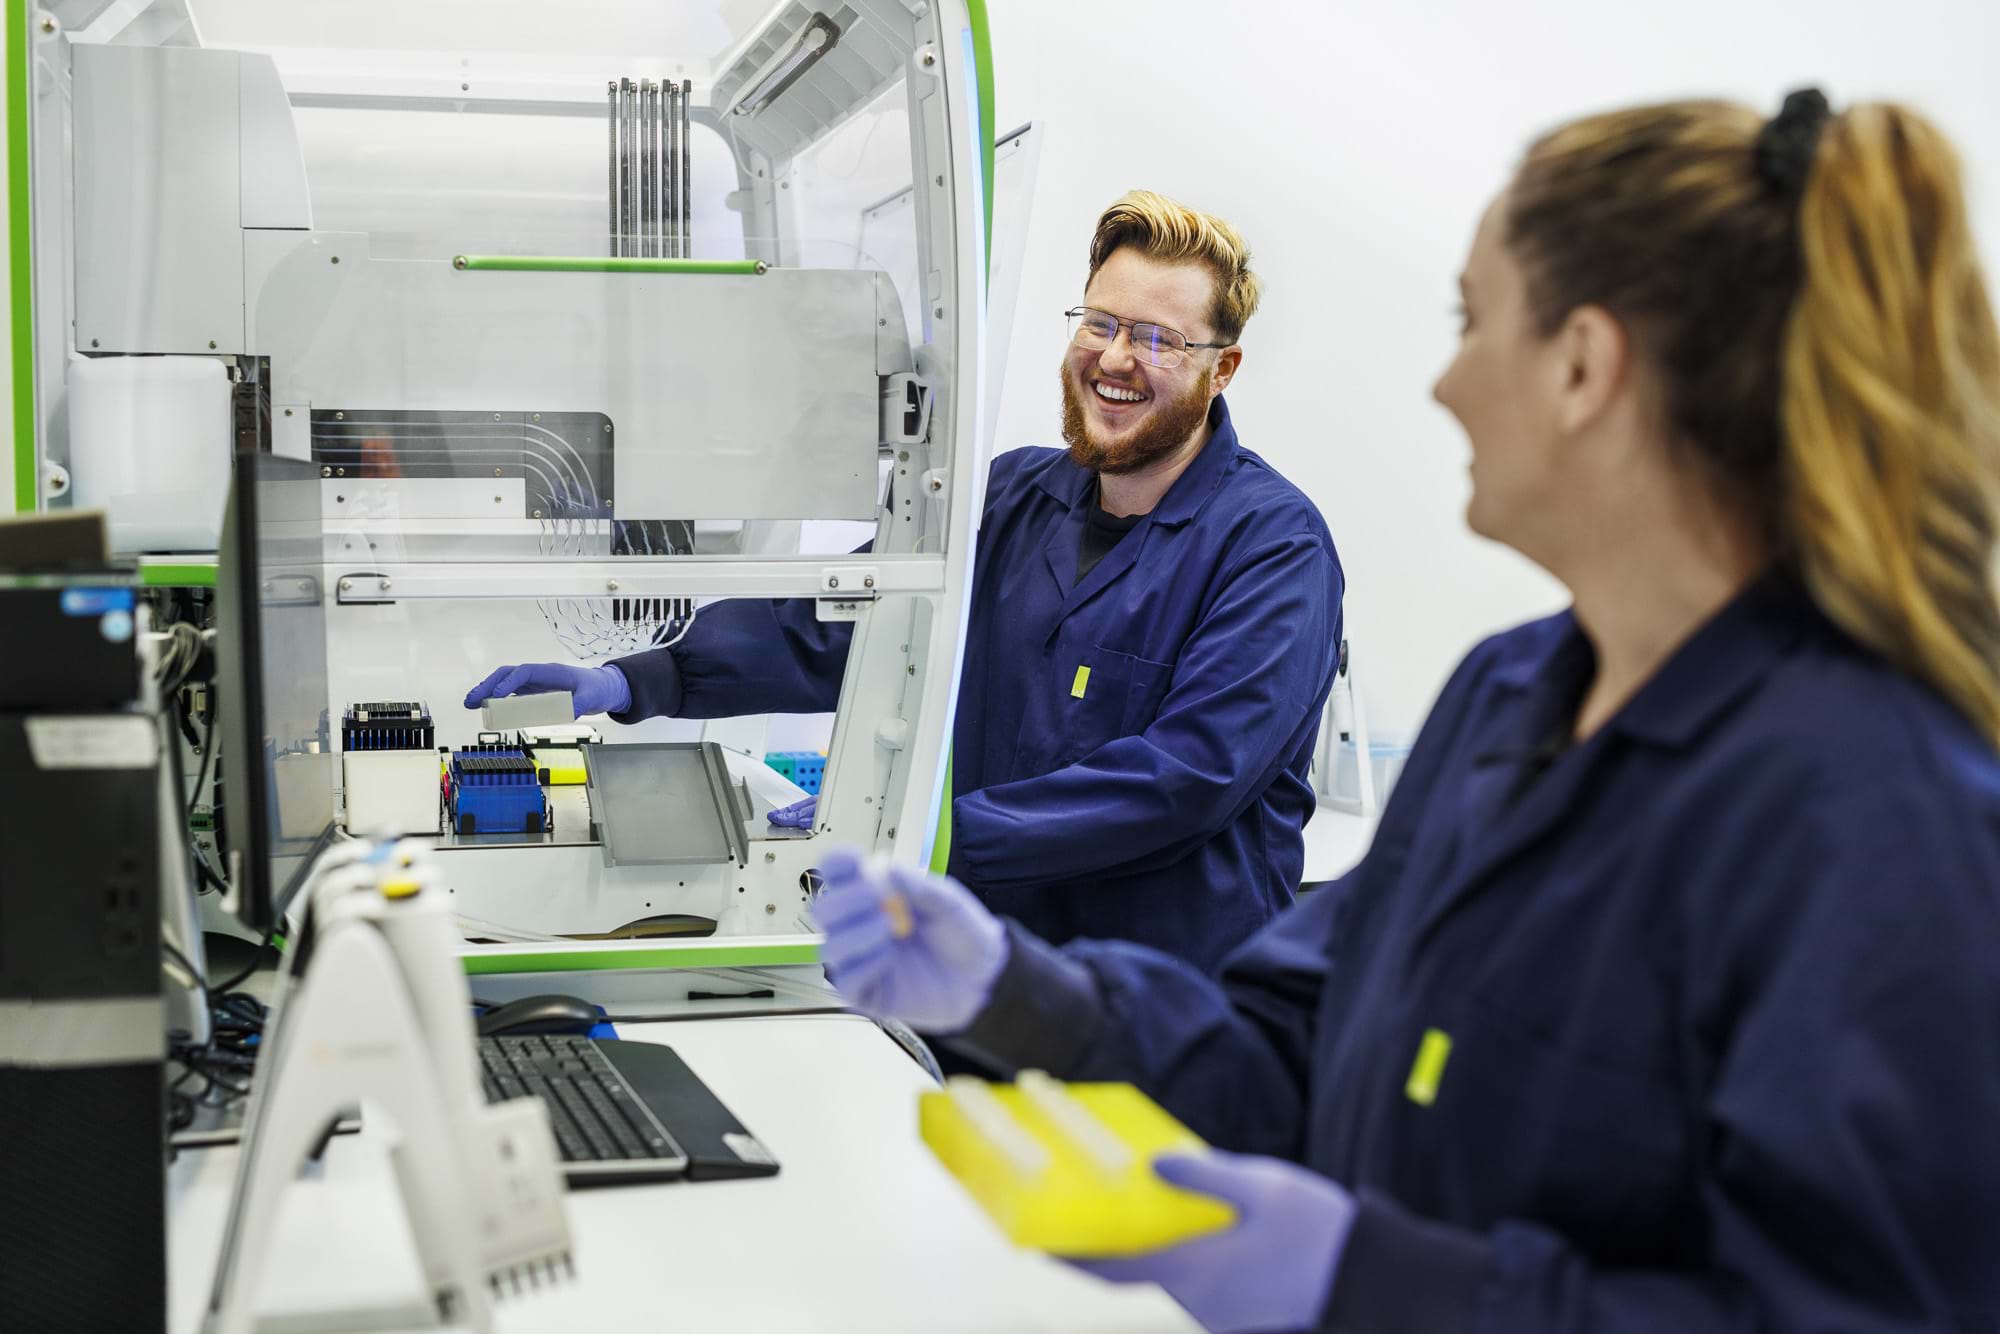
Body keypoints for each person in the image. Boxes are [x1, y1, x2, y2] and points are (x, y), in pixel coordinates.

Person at [810, 90, 2000, 1333]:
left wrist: (1370, 1279)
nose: (1444, 383)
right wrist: (1018, 990)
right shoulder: (1510, 693)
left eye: (1471, 321)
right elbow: (1302, 1040)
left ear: (1583, 368)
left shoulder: (1880, 812)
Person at [467, 192, 1344, 971]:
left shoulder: (1273, 549)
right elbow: (845, 625)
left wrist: (916, 833)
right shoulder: (1012, 497)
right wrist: (637, 678)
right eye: (1099, 323)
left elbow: (1184, 778)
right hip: (984, 977)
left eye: (1157, 338)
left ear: (1222, 368)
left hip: (1164, 1012)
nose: (1116, 359)